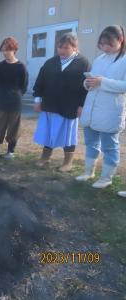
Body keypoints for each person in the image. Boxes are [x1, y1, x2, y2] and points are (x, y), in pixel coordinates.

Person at [76, 25, 126, 189]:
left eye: (109, 44)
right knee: (91, 142)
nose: (105, 48)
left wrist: (102, 82)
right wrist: (88, 83)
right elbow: (94, 80)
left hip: (111, 110)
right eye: (102, 44)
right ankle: (88, 171)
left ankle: (106, 177)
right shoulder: (100, 59)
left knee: (110, 146)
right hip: (92, 108)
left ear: (120, 40)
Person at [33, 33, 90, 172]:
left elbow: (86, 88)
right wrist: (37, 100)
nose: (62, 51)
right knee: (49, 132)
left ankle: (67, 162)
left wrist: (82, 105)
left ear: (75, 48)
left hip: (69, 106)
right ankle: (45, 157)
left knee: (68, 135)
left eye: (66, 48)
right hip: (50, 105)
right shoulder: (50, 62)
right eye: (60, 47)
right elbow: (40, 82)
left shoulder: (83, 63)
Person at [0, 37, 28, 158]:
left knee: (14, 128)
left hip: (15, 102)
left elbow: (24, 86)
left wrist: (15, 95)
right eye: (3, 50)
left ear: (14, 50)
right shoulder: (0, 67)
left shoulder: (21, 67)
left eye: (8, 50)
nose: (5, 52)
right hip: (1, 101)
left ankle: (10, 151)